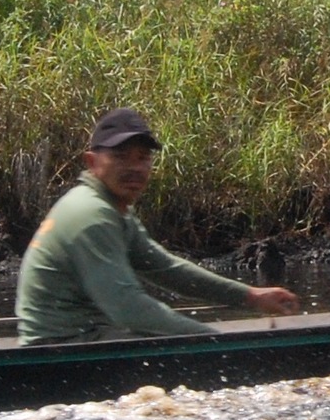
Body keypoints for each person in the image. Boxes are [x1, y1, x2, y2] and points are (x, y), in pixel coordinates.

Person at [18, 108, 301, 342]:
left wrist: (250, 296)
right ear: (92, 162)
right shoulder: (92, 215)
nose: (134, 168)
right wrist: (211, 342)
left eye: (142, 158)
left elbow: (168, 270)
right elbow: (128, 308)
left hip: (90, 336)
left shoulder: (111, 209)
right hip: (62, 345)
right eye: (120, 156)